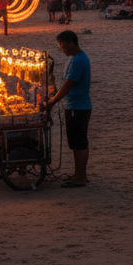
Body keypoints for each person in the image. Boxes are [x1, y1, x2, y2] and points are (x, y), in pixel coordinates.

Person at [43, 30, 91, 187]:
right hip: (73, 105)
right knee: (78, 142)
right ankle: (79, 174)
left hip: (78, 106)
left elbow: (68, 84)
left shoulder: (78, 60)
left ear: (71, 44)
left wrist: (52, 101)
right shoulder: (74, 59)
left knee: (79, 143)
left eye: (62, 46)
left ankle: (80, 178)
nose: (61, 49)